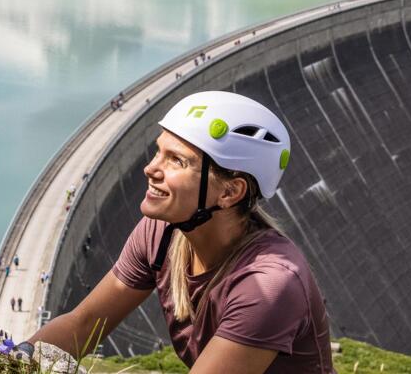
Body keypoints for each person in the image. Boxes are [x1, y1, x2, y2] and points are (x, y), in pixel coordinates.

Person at [22, 91, 332, 373]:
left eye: (176, 160)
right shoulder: (161, 234)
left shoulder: (268, 285)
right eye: (159, 152)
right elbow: (84, 325)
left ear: (230, 192)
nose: (151, 169)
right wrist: (14, 359)